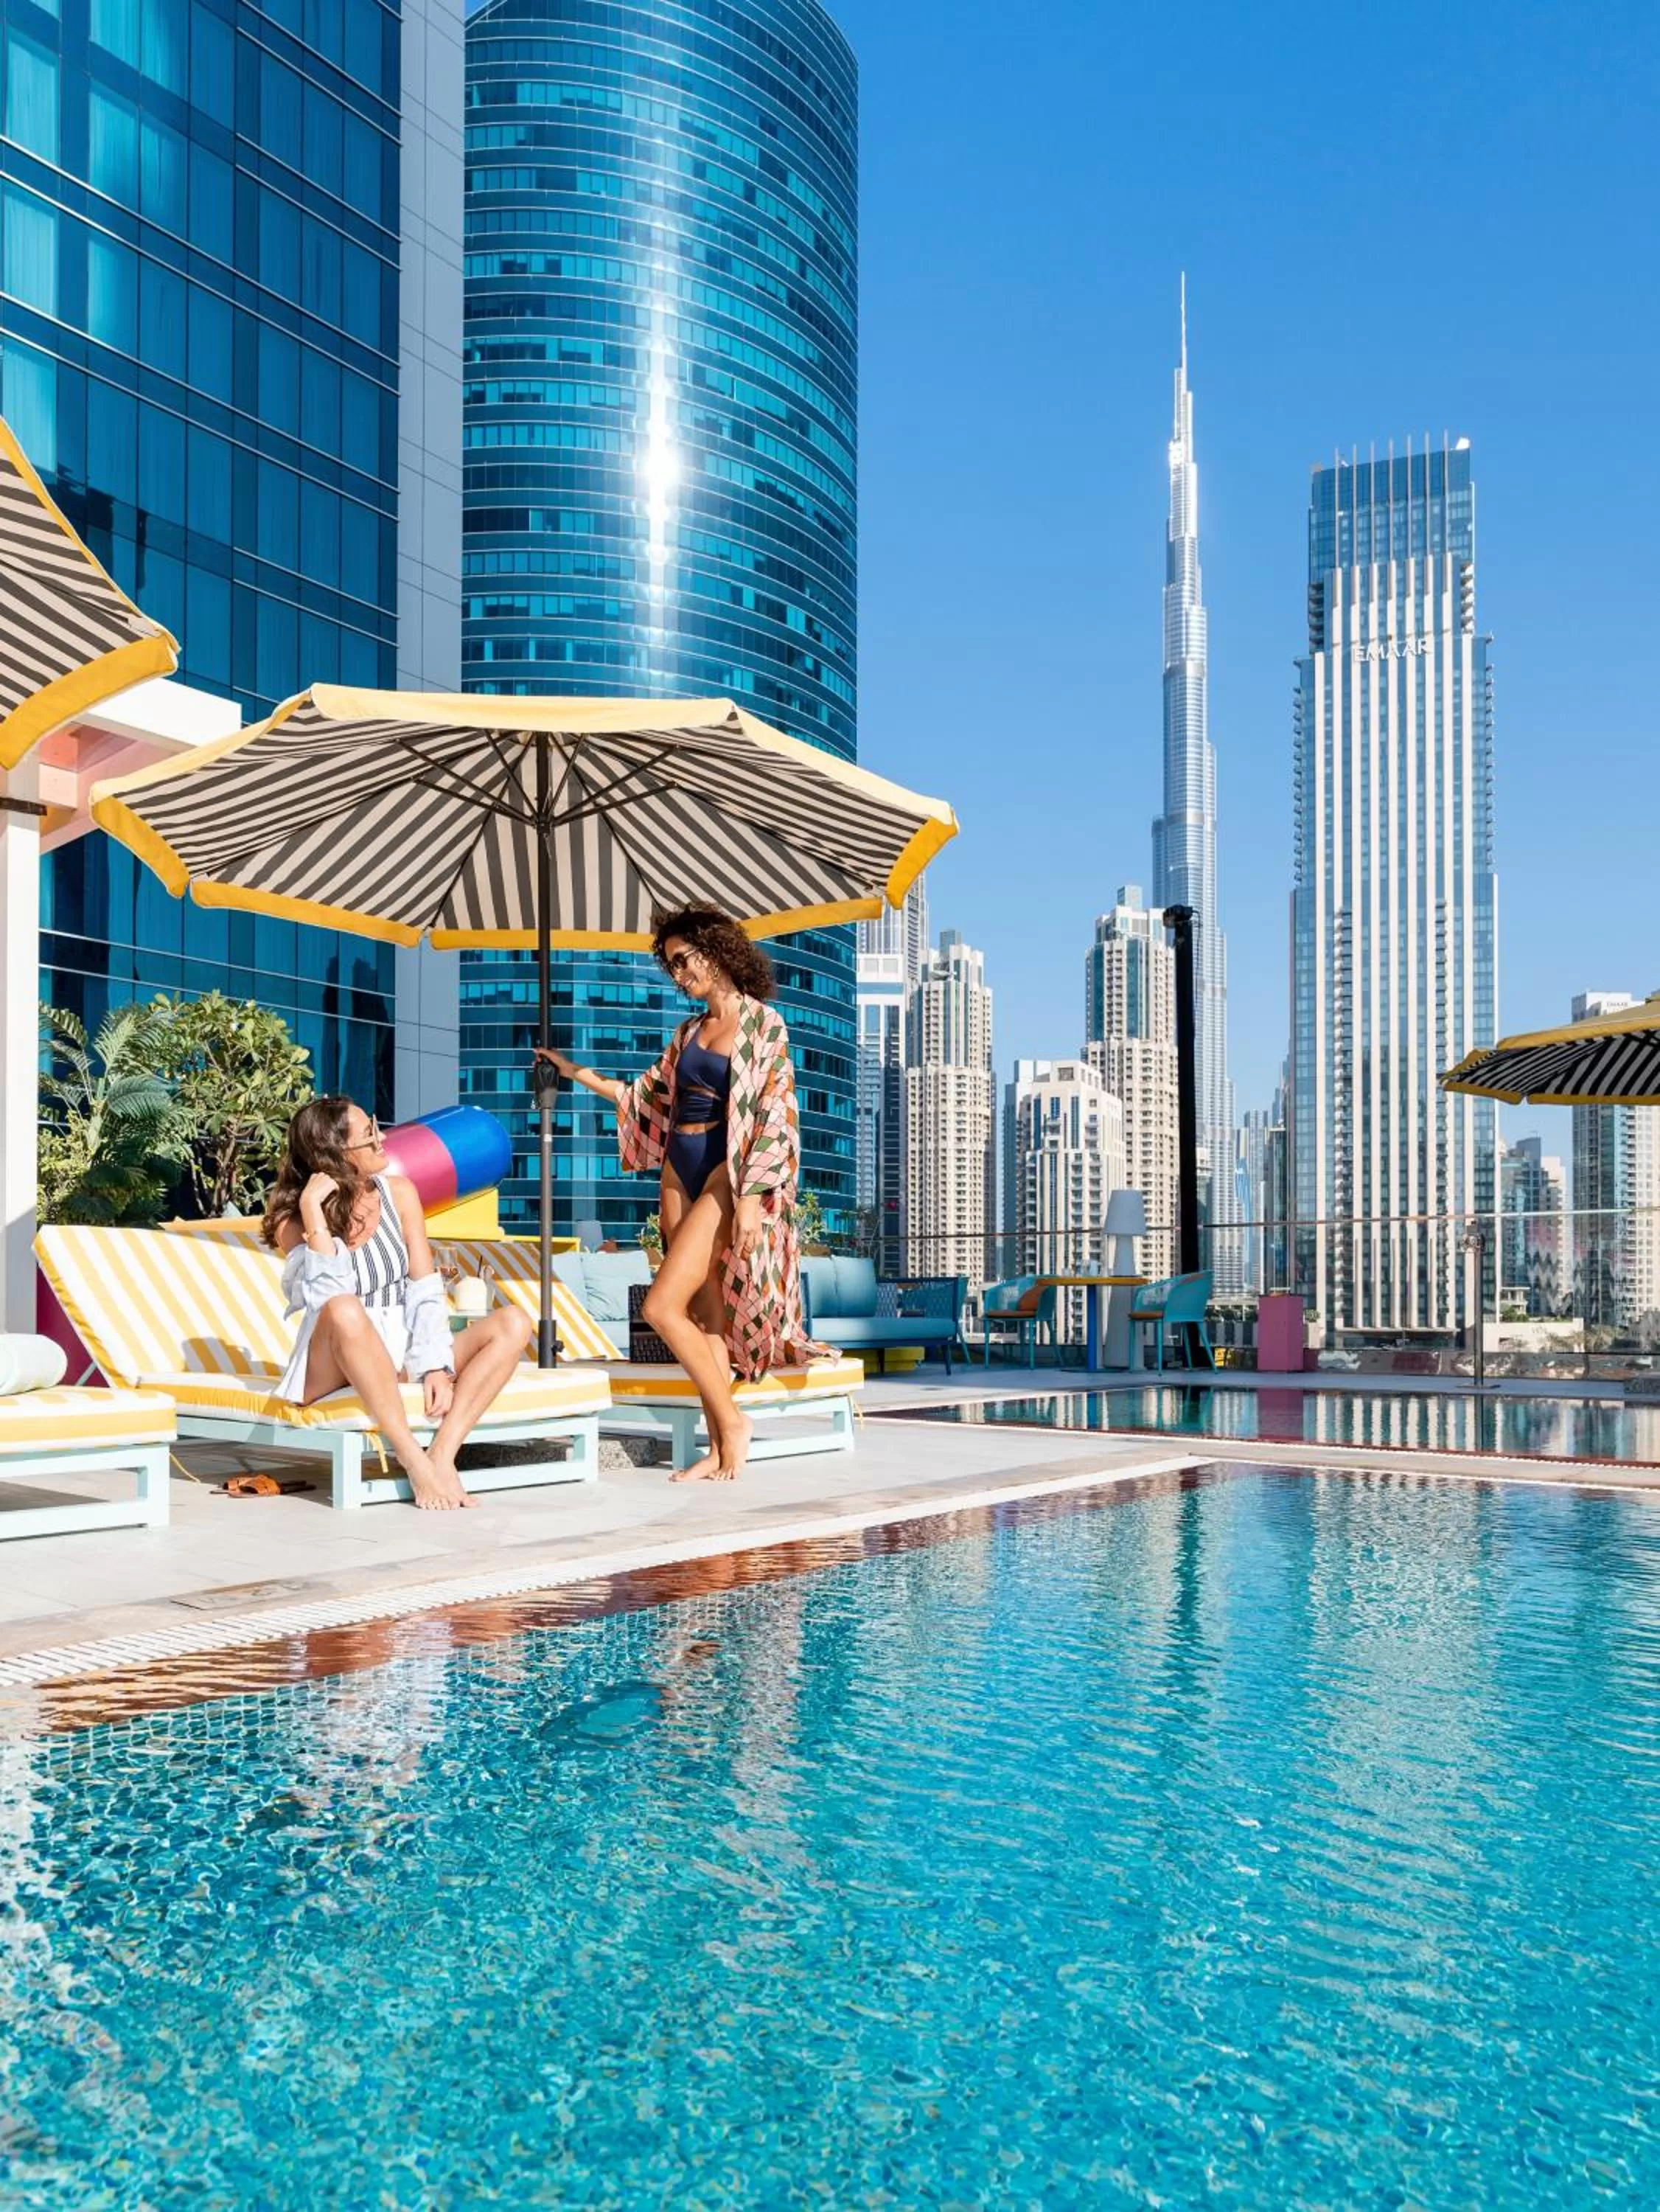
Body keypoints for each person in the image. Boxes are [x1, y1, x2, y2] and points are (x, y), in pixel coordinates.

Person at [535, 904, 825, 1482]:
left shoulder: (762, 1024)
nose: (678, 975)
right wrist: (571, 1072)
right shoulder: (688, 1032)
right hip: (678, 1170)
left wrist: (750, 1198)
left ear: (716, 951)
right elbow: (645, 1097)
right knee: (704, 1314)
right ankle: (720, 1450)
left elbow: (775, 1112)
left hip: (726, 1169)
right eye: (670, 967)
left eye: (683, 961)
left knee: (660, 1307)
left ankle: (732, 1421)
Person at [261, 1097, 533, 1510]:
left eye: (374, 1126)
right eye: (369, 1134)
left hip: (398, 1353)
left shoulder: (400, 1194)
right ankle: (412, 1459)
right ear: (335, 1154)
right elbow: (325, 1298)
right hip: (332, 1358)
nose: (382, 1138)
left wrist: (436, 1365)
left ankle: (442, 1455)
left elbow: (425, 1290)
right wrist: (314, 1212)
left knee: (514, 1322)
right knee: (344, 1307)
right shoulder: (295, 1220)